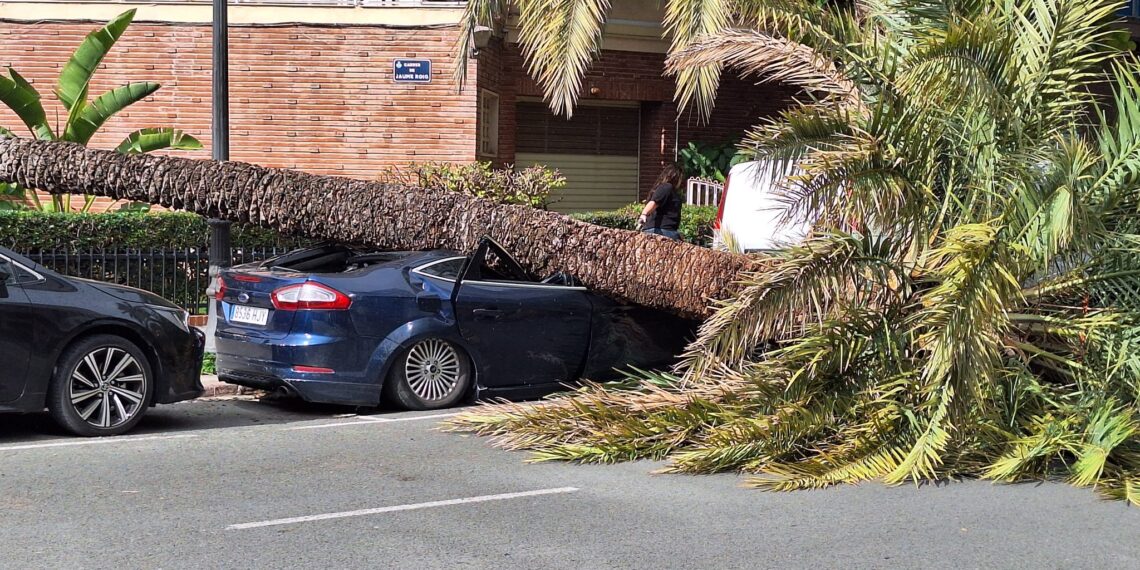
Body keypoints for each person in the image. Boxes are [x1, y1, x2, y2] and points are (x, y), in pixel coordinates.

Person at [638, 162, 684, 240]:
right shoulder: (666, 187)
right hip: (661, 231)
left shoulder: (669, 190)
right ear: (675, 176)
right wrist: (644, 215)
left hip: (665, 230)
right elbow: (654, 202)